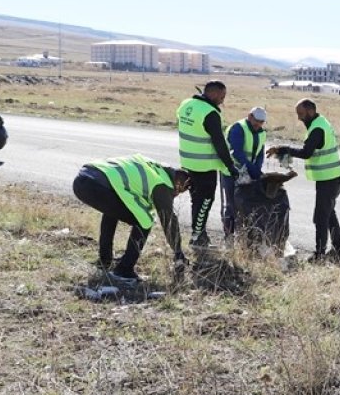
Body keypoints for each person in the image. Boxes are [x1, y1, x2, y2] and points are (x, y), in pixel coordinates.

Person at [72, 154, 189, 285]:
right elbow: (169, 220)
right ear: (178, 183)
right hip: (97, 185)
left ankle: (105, 261)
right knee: (145, 220)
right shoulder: (162, 183)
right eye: (179, 191)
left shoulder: (154, 166)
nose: (176, 194)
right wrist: (178, 252)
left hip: (85, 177)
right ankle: (124, 270)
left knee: (112, 210)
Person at [267, 98, 340, 262]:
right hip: (330, 178)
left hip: (328, 180)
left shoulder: (317, 128)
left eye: (301, 114)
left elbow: (306, 153)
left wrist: (283, 149)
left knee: (320, 218)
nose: (299, 118)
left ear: (310, 111)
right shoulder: (321, 122)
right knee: (329, 216)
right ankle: (338, 252)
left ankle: (320, 255)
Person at [177, 80, 238, 247]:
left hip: (188, 163)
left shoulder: (186, 104)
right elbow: (219, 142)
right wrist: (230, 165)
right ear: (213, 93)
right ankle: (197, 238)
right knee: (204, 202)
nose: (222, 101)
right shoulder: (210, 113)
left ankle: (200, 235)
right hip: (204, 166)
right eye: (221, 96)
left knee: (195, 200)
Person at [221, 106, 268, 241]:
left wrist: (256, 170)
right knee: (231, 206)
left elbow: (259, 153)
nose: (258, 124)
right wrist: (253, 170)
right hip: (232, 172)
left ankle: (243, 239)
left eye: (261, 122)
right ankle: (228, 238)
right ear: (250, 116)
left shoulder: (261, 132)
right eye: (256, 120)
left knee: (245, 206)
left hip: (248, 174)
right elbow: (236, 153)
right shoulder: (238, 128)